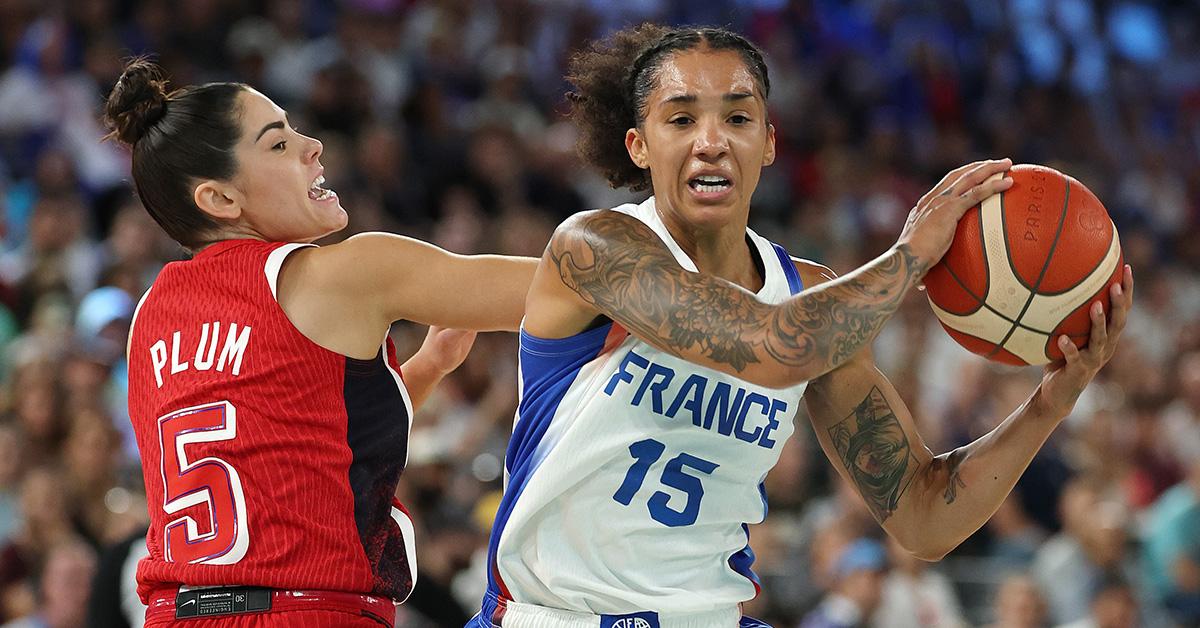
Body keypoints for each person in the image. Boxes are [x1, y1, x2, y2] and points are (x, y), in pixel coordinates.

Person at [472, 24, 1133, 627]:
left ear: (768, 142)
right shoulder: (596, 247)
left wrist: (1049, 404)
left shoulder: (812, 298)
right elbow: (768, 346)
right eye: (681, 119)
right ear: (639, 146)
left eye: (738, 116)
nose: (711, 140)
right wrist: (908, 258)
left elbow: (925, 517)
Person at [103, 59, 536, 627]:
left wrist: (430, 365)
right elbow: (571, 288)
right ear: (220, 200)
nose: (313, 146)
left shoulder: (149, 314)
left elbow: (299, 438)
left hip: (178, 612)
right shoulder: (343, 272)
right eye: (279, 144)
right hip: (307, 611)